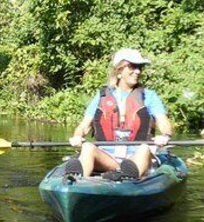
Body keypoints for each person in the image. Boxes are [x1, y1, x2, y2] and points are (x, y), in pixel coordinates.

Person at [65, 48, 173, 181]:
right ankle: (75, 182)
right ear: (119, 70)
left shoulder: (149, 96)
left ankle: (127, 177)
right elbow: (83, 126)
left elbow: (163, 122)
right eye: (132, 66)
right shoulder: (102, 96)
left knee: (145, 148)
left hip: (136, 156)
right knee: (87, 147)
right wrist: (77, 136)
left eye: (140, 67)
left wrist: (165, 135)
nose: (138, 71)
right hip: (107, 157)